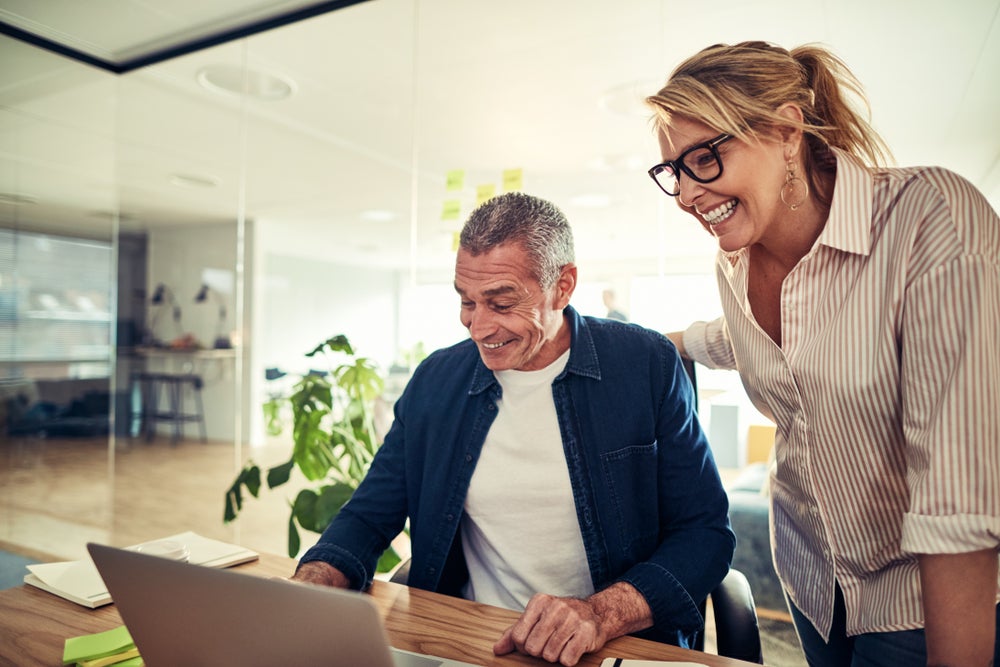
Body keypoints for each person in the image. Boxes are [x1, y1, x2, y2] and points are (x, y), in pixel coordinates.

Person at [644, 41, 1000, 667]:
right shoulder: (733, 263)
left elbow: (960, 502)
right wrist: (655, 345)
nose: (685, 194)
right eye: (673, 169)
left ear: (785, 130)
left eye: (704, 158)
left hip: (915, 600)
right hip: (811, 581)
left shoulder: (929, 221)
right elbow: (753, 341)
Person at [291, 191, 735, 666]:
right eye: (466, 302)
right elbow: (368, 514)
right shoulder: (437, 380)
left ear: (563, 287)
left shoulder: (645, 364)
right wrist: (315, 580)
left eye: (501, 304)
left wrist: (600, 613)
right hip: (472, 641)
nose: (479, 327)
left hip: (612, 646)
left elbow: (704, 533)